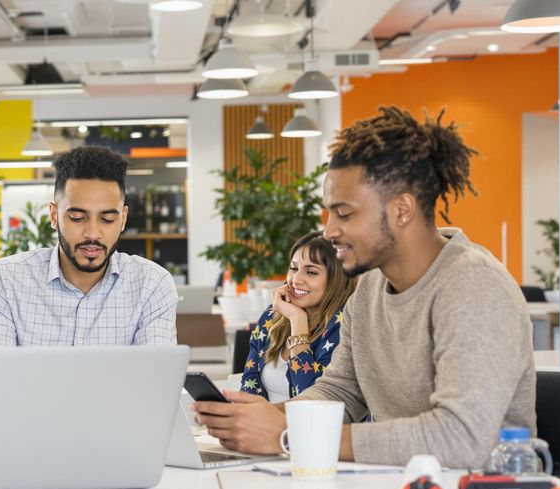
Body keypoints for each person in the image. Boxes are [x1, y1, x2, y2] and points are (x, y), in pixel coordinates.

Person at [193, 106, 535, 468]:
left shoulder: (473, 287)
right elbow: (340, 391)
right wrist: (259, 418)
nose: (329, 231)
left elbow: (461, 438)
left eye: (344, 213)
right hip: (395, 486)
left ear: (401, 209)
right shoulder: (370, 287)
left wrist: (290, 436)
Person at [0, 145, 178, 347]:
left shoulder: (151, 284)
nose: (92, 233)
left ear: (123, 219)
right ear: (54, 216)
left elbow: (154, 377)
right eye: (77, 218)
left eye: (107, 219)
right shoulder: (5, 280)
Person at [239, 231, 356, 402]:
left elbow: (312, 400)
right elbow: (249, 386)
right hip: (266, 427)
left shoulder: (344, 327)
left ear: (336, 279)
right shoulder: (273, 316)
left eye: (311, 272)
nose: (296, 280)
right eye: (293, 268)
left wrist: (297, 320)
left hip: (311, 427)